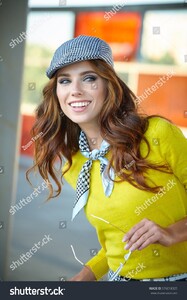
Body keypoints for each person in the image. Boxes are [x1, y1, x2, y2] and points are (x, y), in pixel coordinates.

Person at [27, 35, 187, 282]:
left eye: (89, 78)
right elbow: (118, 243)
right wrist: (85, 275)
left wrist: (172, 232)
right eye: (65, 81)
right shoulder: (75, 165)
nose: (75, 90)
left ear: (109, 85)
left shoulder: (157, 134)